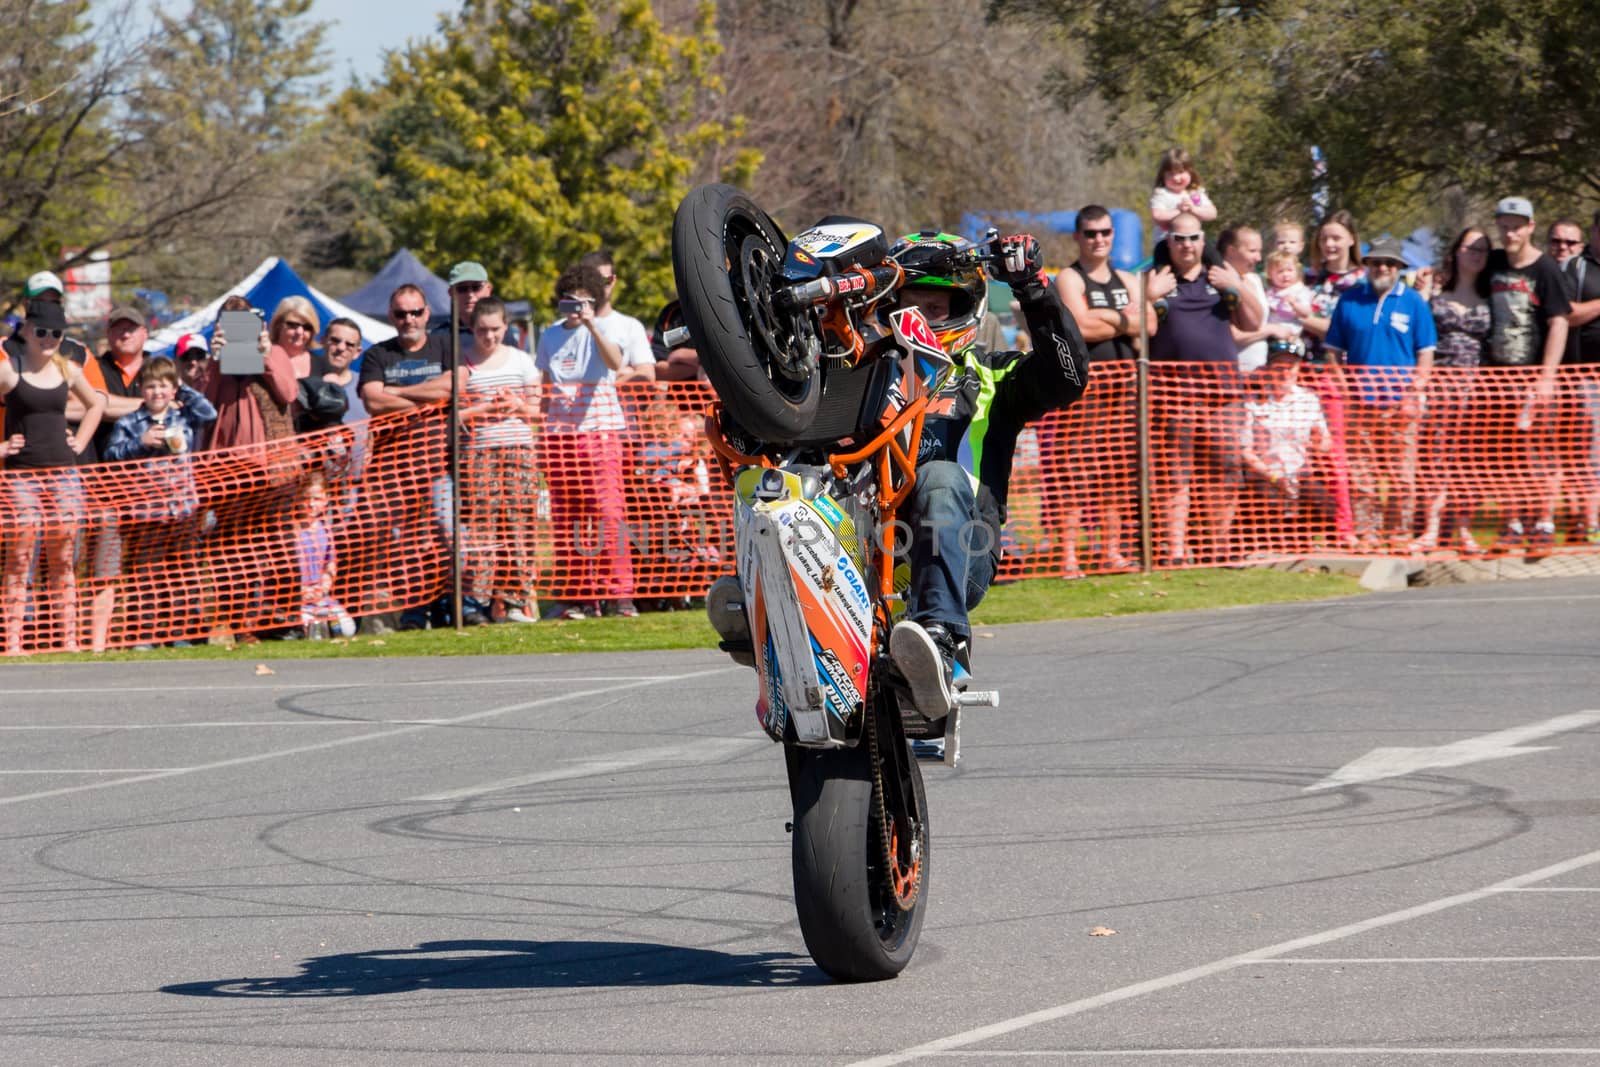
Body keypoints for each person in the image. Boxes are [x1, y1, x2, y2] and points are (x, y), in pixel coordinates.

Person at [712, 229, 1090, 717]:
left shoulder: (991, 375)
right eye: (907, 307)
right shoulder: (854, 372)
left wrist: (1034, 288)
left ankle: (941, 639)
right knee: (781, 473)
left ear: (963, 311)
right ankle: (758, 601)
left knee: (940, 477)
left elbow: (1068, 376)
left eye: (934, 309)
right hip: (856, 542)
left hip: (956, 555)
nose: (920, 321)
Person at [1145, 211, 1263, 565]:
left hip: (1224, 395)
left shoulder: (1222, 277)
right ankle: (1176, 551)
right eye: (1179, 238)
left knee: (1224, 472)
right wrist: (1149, 296)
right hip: (1174, 394)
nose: (1187, 245)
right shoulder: (1155, 278)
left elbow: (1255, 321)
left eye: (1194, 238)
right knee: (1175, 474)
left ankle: (1217, 547)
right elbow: (1139, 329)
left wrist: (1237, 286)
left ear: (1204, 240)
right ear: (1168, 240)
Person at [358, 284, 471, 630]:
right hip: (394, 469)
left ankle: (457, 605)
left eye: (415, 312)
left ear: (426, 313)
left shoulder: (444, 345)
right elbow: (373, 401)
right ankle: (413, 611)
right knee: (404, 541)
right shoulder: (378, 354)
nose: (409, 319)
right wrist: (430, 399)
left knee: (448, 534)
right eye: (401, 313)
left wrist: (399, 392)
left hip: (439, 463)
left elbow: (457, 386)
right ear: (391, 316)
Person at [534, 262, 644, 619]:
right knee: (568, 518)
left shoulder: (604, 329)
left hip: (600, 433)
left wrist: (592, 325)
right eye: (570, 300)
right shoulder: (550, 334)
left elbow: (615, 363)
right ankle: (580, 597)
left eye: (584, 300)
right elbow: (544, 384)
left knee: (609, 514)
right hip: (559, 436)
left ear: (595, 301)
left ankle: (619, 595)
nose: (576, 306)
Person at [0, 300, 105, 654]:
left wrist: (81, 440)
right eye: (41, 331)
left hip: (63, 472)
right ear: (27, 331)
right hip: (22, 475)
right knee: (20, 555)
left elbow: (96, 405)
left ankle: (69, 640)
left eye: (55, 334)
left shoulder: (68, 370)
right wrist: (1, 447)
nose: (48, 339)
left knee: (63, 556)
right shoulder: (9, 370)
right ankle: (12, 642)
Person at [1051, 205, 1149, 576]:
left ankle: (1111, 552)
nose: (1099, 239)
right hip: (1085, 388)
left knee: (1117, 472)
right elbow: (1082, 326)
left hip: (1124, 389)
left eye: (1105, 232)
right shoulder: (1069, 279)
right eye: (1091, 233)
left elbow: (1150, 324)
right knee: (1076, 472)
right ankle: (1069, 558)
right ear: (1078, 237)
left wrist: (1109, 317)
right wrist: (1127, 320)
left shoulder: (1127, 277)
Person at [1324, 237, 1438, 547]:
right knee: (1363, 475)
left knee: (1402, 475)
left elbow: (1426, 351)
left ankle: (1399, 534)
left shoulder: (1413, 301)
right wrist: (1344, 388)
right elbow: (1333, 350)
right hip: (1360, 403)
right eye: (1376, 262)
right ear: (1367, 266)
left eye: (1389, 263)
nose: (1382, 267)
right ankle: (1367, 533)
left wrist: (1415, 392)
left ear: (1400, 268)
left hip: (1402, 403)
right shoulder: (1349, 300)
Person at [102, 356, 218, 648]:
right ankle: (145, 633)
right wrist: (140, 443)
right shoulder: (130, 422)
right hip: (146, 512)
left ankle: (182, 632)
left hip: (183, 509)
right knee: (146, 574)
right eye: (151, 386)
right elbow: (111, 457)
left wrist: (182, 388)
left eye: (164, 387)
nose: (157, 393)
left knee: (184, 572)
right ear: (142, 389)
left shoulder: (184, 416)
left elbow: (209, 412)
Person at [1485, 195, 1571, 554]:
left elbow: (1559, 320)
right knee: (1505, 454)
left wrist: (1547, 376)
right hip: (1498, 376)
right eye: (1504, 226)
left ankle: (1545, 523)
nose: (1510, 233)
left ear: (1530, 227)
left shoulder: (1545, 268)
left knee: (1541, 452)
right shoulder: (1492, 263)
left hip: (1533, 375)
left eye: (1517, 226)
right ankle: (1513, 522)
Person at [460, 296, 541, 624]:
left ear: (505, 327)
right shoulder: (464, 363)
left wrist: (516, 406)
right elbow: (456, 412)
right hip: (480, 452)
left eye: (495, 329)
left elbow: (538, 410)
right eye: (482, 330)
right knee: (484, 528)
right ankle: (481, 600)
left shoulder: (521, 361)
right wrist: (486, 408)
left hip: (518, 450)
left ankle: (515, 599)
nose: (489, 336)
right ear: (472, 329)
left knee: (519, 525)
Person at [1415, 227, 1493, 554]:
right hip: (1439, 387)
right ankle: (1431, 527)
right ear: (1456, 251)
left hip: (1476, 390)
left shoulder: (1491, 298)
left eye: (1483, 249)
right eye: (1470, 247)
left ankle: (1463, 528)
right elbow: (1418, 329)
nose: (1476, 253)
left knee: (1468, 462)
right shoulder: (1435, 294)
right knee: (1436, 458)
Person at [1298, 210, 1366, 546]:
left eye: (1337, 237)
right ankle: (1312, 523)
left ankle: (1345, 526)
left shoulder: (1361, 282)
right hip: (1303, 371)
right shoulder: (1308, 279)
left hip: (1339, 376)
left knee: (1336, 453)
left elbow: (1349, 331)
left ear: (1352, 240)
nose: (1330, 244)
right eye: (1324, 238)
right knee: (1306, 453)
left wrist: (1307, 320)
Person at [1240, 339, 1332, 542]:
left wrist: (1321, 444)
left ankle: (1302, 539)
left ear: (1298, 369)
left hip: (1301, 473)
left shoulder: (1309, 399)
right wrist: (1273, 477)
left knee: (1326, 505)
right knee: (1269, 505)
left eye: (1291, 367)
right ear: (1268, 369)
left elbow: (1324, 438)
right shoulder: (1253, 402)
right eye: (1279, 367)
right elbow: (1245, 451)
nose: (1285, 373)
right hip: (1266, 476)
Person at [203, 296, 296, 450]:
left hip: (264, 458)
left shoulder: (275, 353)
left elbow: (289, 395)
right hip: (221, 460)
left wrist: (266, 358)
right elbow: (203, 406)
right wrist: (215, 361)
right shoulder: (213, 362)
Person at [1562, 211, 1600, 544]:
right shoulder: (1577, 266)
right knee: (1592, 451)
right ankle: (1589, 522)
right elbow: (1568, 315)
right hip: (1587, 375)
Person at [578, 249, 657, 384]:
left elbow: (647, 376)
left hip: (618, 405)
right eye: (593, 280)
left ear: (613, 280)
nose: (599, 286)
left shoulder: (630, 326)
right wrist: (624, 374)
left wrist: (608, 383)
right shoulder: (561, 328)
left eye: (605, 280)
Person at [293, 473, 356, 639]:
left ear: (326, 499)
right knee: (306, 630)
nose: (311, 504)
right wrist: (301, 591)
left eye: (316, 499)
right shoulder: (291, 530)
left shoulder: (326, 529)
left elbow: (330, 563)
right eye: (306, 499)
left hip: (321, 597)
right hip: (296, 600)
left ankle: (325, 623)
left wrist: (323, 587)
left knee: (347, 629)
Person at [2, 272, 91, 365]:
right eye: (40, 302)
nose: (47, 309)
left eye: (54, 302)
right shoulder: (4, 349)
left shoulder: (80, 353)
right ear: (25, 304)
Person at [1218, 226, 1274, 372]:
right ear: (1231, 251)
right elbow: (1233, 335)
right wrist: (1272, 330)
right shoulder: (1218, 283)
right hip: (1234, 371)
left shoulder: (1254, 279)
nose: (1259, 258)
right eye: (1252, 251)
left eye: (1259, 251)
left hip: (1260, 372)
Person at [1148, 148, 1217, 244]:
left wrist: (1193, 209)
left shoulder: (1195, 194)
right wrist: (1179, 211)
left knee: (1213, 255)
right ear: (1163, 176)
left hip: (1194, 242)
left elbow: (1212, 213)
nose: (1176, 178)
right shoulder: (1162, 194)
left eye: (1181, 172)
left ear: (1190, 173)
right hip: (1166, 243)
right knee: (1161, 256)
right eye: (1171, 174)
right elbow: (1157, 215)